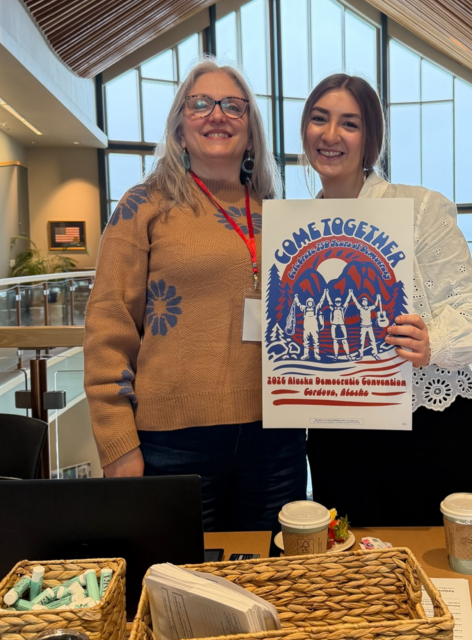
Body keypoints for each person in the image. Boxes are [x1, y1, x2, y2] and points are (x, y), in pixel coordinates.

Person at [84, 58, 306, 532]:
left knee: (270, 584)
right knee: (180, 592)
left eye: (233, 105)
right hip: (172, 442)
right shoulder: (142, 206)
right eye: (200, 103)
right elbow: (108, 327)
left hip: (277, 436)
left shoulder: (282, 216)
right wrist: (117, 442)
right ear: (180, 130)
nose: (217, 114)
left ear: (251, 133)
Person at [301, 73, 472, 526]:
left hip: (427, 424)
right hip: (338, 432)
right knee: (360, 577)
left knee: (453, 574)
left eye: (349, 124)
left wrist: (433, 340)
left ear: (370, 139)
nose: (331, 135)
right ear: (304, 130)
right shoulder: (293, 230)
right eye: (319, 119)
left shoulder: (420, 209)